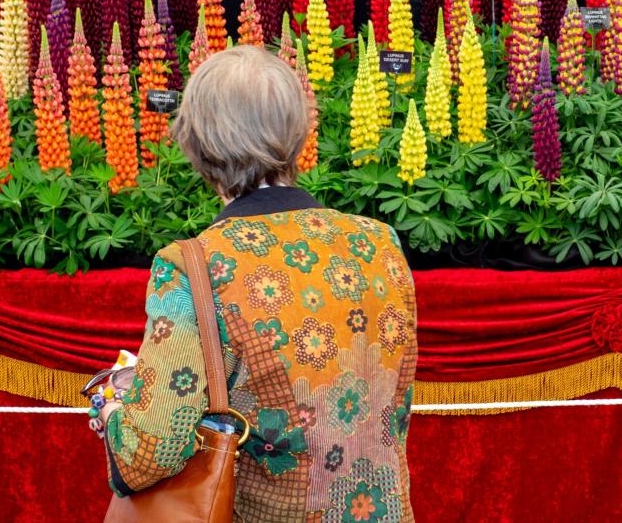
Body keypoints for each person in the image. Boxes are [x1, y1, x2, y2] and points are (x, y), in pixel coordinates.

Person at [91, 46, 418, 522]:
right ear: (299, 131)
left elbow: (148, 454)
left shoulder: (193, 266)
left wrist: (113, 405)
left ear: (197, 143)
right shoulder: (380, 243)